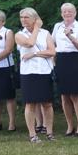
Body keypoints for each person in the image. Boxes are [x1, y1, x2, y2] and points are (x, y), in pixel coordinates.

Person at [15, 8, 56, 143]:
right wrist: (36, 29)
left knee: (47, 103)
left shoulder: (45, 33)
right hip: (28, 73)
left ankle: (49, 132)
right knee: (30, 104)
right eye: (22, 17)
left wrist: (33, 54)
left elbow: (52, 52)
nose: (23, 19)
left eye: (26, 17)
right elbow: (30, 43)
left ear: (35, 18)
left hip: (44, 71)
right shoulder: (19, 35)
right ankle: (32, 134)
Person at [52, 3, 78, 136]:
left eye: (69, 11)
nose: (67, 13)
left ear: (75, 13)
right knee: (64, 95)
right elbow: (52, 43)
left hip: (74, 59)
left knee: (74, 94)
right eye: (64, 11)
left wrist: (70, 36)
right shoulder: (57, 26)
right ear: (61, 13)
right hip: (61, 60)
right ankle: (69, 126)